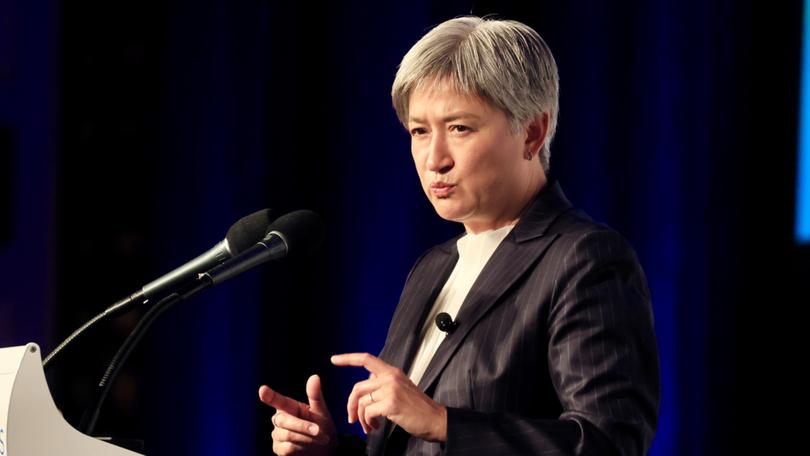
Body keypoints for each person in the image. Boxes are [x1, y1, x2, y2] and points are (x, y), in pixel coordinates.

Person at [259, 16, 660, 455]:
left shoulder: (583, 259)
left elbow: (609, 442)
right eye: (419, 131)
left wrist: (442, 422)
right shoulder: (433, 267)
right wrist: (331, 450)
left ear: (532, 132)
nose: (434, 159)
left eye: (459, 128)